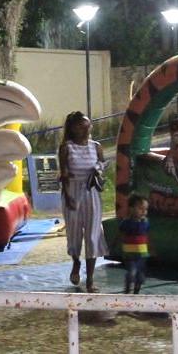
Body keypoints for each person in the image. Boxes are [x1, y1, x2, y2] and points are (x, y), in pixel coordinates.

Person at [58, 111, 107, 293]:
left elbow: (102, 165)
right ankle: (76, 262)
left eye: (88, 124)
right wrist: (69, 197)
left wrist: (99, 171)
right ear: (73, 128)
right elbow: (63, 175)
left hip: (91, 193)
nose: (86, 128)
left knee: (93, 235)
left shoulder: (96, 146)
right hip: (73, 193)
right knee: (75, 234)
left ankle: (90, 280)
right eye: (81, 125)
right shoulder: (66, 148)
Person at [119, 193, 150, 295]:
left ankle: (136, 293)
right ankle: (127, 292)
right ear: (131, 209)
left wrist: (151, 248)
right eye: (140, 209)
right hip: (130, 254)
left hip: (142, 255)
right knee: (132, 272)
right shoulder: (126, 222)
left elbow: (147, 237)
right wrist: (115, 245)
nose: (143, 212)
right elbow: (120, 234)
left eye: (145, 209)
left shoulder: (145, 222)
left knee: (140, 277)